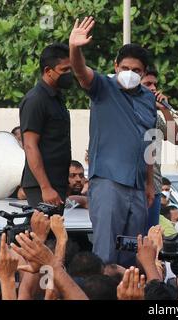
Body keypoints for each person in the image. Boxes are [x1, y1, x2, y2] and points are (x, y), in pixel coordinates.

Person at [69, 17, 156, 267]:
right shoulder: (102, 87)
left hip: (138, 187)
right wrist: (75, 48)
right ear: (116, 66)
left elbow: (151, 143)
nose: (130, 73)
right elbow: (80, 71)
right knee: (105, 256)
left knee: (131, 257)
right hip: (108, 183)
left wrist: (149, 183)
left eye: (137, 70)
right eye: (125, 68)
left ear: (144, 73)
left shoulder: (148, 99)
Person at [19, 43, 72, 210]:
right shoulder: (36, 100)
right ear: (48, 71)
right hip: (42, 186)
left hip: (57, 182)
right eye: (64, 70)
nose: (69, 74)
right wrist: (45, 187)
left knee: (55, 233)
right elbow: (30, 145)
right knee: (43, 235)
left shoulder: (57, 98)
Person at [141, 68, 178, 233]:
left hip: (155, 188)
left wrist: (165, 110)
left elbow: (177, 138)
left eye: (155, 84)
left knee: (151, 238)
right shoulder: (126, 114)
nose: (153, 88)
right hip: (133, 187)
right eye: (147, 84)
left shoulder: (155, 116)